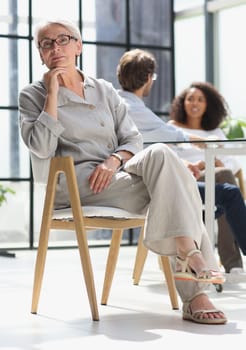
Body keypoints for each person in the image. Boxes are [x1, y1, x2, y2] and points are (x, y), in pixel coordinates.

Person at [19, 20, 226, 325]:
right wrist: (52, 93)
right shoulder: (32, 95)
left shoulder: (103, 89)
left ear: (79, 46)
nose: (55, 47)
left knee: (161, 154)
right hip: (75, 184)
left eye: (63, 39)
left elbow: (132, 138)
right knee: (177, 186)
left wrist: (113, 161)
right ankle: (195, 285)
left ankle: (188, 255)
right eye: (46, 43)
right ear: (40, 54)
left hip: (115, 173)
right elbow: (40, 147)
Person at [117, 49, 245, 276]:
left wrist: (190, 164)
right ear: (148, 78)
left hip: (164, 179)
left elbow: (150, 148)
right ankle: (224, 260)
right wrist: (204, 148)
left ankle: (226, 260)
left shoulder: (119, 105)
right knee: (228, 193)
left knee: (224, 185)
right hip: (159, 187)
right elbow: (170, 140)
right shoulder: (135, 110)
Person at [168, 81, 244, 274]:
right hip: (188, 181)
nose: (195, 103)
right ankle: (233, 263)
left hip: (217, 181)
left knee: (225, 178)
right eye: (190, 99)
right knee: (227, 187)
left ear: (208, 104)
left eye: (200, 100)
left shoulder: (215, 133)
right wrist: (199, 165)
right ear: (182, 103)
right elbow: (168, 159)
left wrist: (216, 163)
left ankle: (230, 264)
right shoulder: (173, 129)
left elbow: (233, 163)